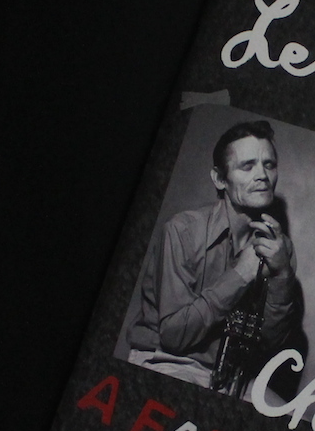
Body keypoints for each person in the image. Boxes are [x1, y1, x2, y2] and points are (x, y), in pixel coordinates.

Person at [127, 120, 304, 396]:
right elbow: (173, 336)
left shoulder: (280, 247)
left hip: (234, 377)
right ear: (220, 179)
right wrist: (240, 275)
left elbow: (270, 343)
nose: (263, 175)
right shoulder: (182, 231)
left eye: (269, 164)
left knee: (287, 417)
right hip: (169, 361)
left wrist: (282, 275)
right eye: (247, 166)